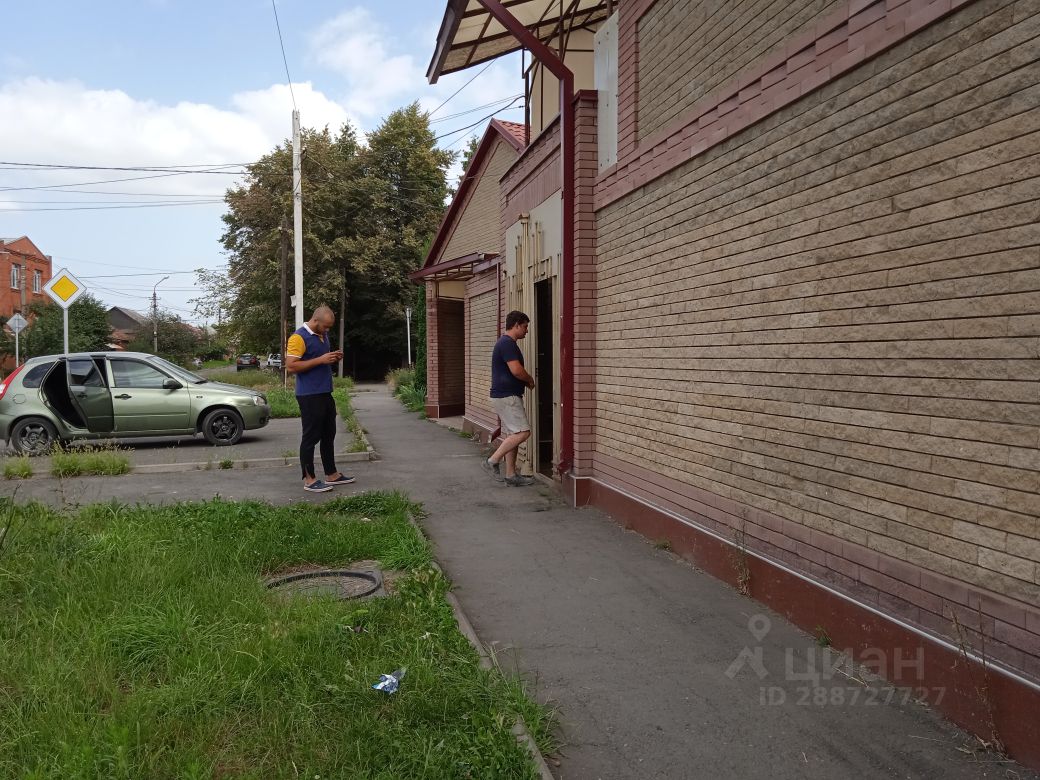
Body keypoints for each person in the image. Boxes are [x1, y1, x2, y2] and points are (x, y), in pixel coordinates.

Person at [285, 305, 355, 493]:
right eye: (325, 326)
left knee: (328, 434)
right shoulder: (298, 337)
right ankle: (309, 479)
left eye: (329, 327)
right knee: (310, 437)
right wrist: (321, 360)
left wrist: (333, 358)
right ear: (315, 321)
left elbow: (321, 360)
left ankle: (332, 474)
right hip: (308, 395)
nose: (327, 330)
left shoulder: (323, 336)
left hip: (325, 392)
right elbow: (291, 367)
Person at [482, 310, 536, 487]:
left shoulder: (505, 343)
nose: (527, 331)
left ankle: (511, 475)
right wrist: (529, 380)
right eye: (525, 326)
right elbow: (516, 370)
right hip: (507, 396)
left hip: (503, 395)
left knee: (513, 433)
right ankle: (492, 461)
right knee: (523, 432)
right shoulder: (507, 344)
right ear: (516, 325)